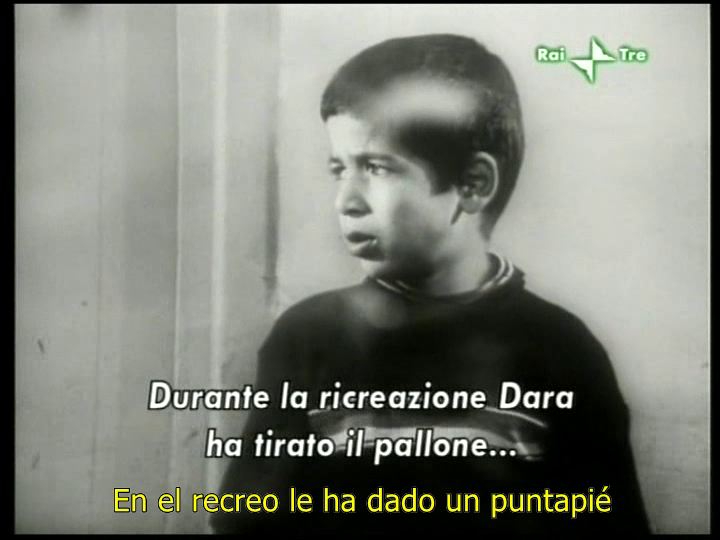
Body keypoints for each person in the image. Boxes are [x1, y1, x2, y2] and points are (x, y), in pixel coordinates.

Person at [212, 34, 650, 535]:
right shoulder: (308, 337)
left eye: (376, 167)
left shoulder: (564, 351)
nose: (346, 201)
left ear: (473, 184)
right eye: (339, 169)